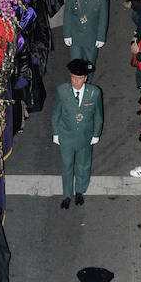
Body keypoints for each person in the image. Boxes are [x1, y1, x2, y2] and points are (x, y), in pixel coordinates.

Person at [51, 59, 104, 209]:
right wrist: (55, 133)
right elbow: (56, 113)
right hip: (66, 135)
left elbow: (99, 115)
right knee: (67, 165)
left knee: (83, 165)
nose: (76, 82)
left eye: (80, 78)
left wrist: (96, 134)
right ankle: (67, 194)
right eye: (73, 78)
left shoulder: (94, 92)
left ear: (85, 78)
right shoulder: (63, 90)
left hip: (85, 136)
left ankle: (80, 190)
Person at [63, 0, 109, 74]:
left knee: (89, 63)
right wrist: (67, 34)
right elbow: (67, 14)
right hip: (75, 35)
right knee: (75, 64)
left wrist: (101, 37)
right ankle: (77, 85)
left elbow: (103, 17)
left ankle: (87, 85)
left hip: (91, 36)